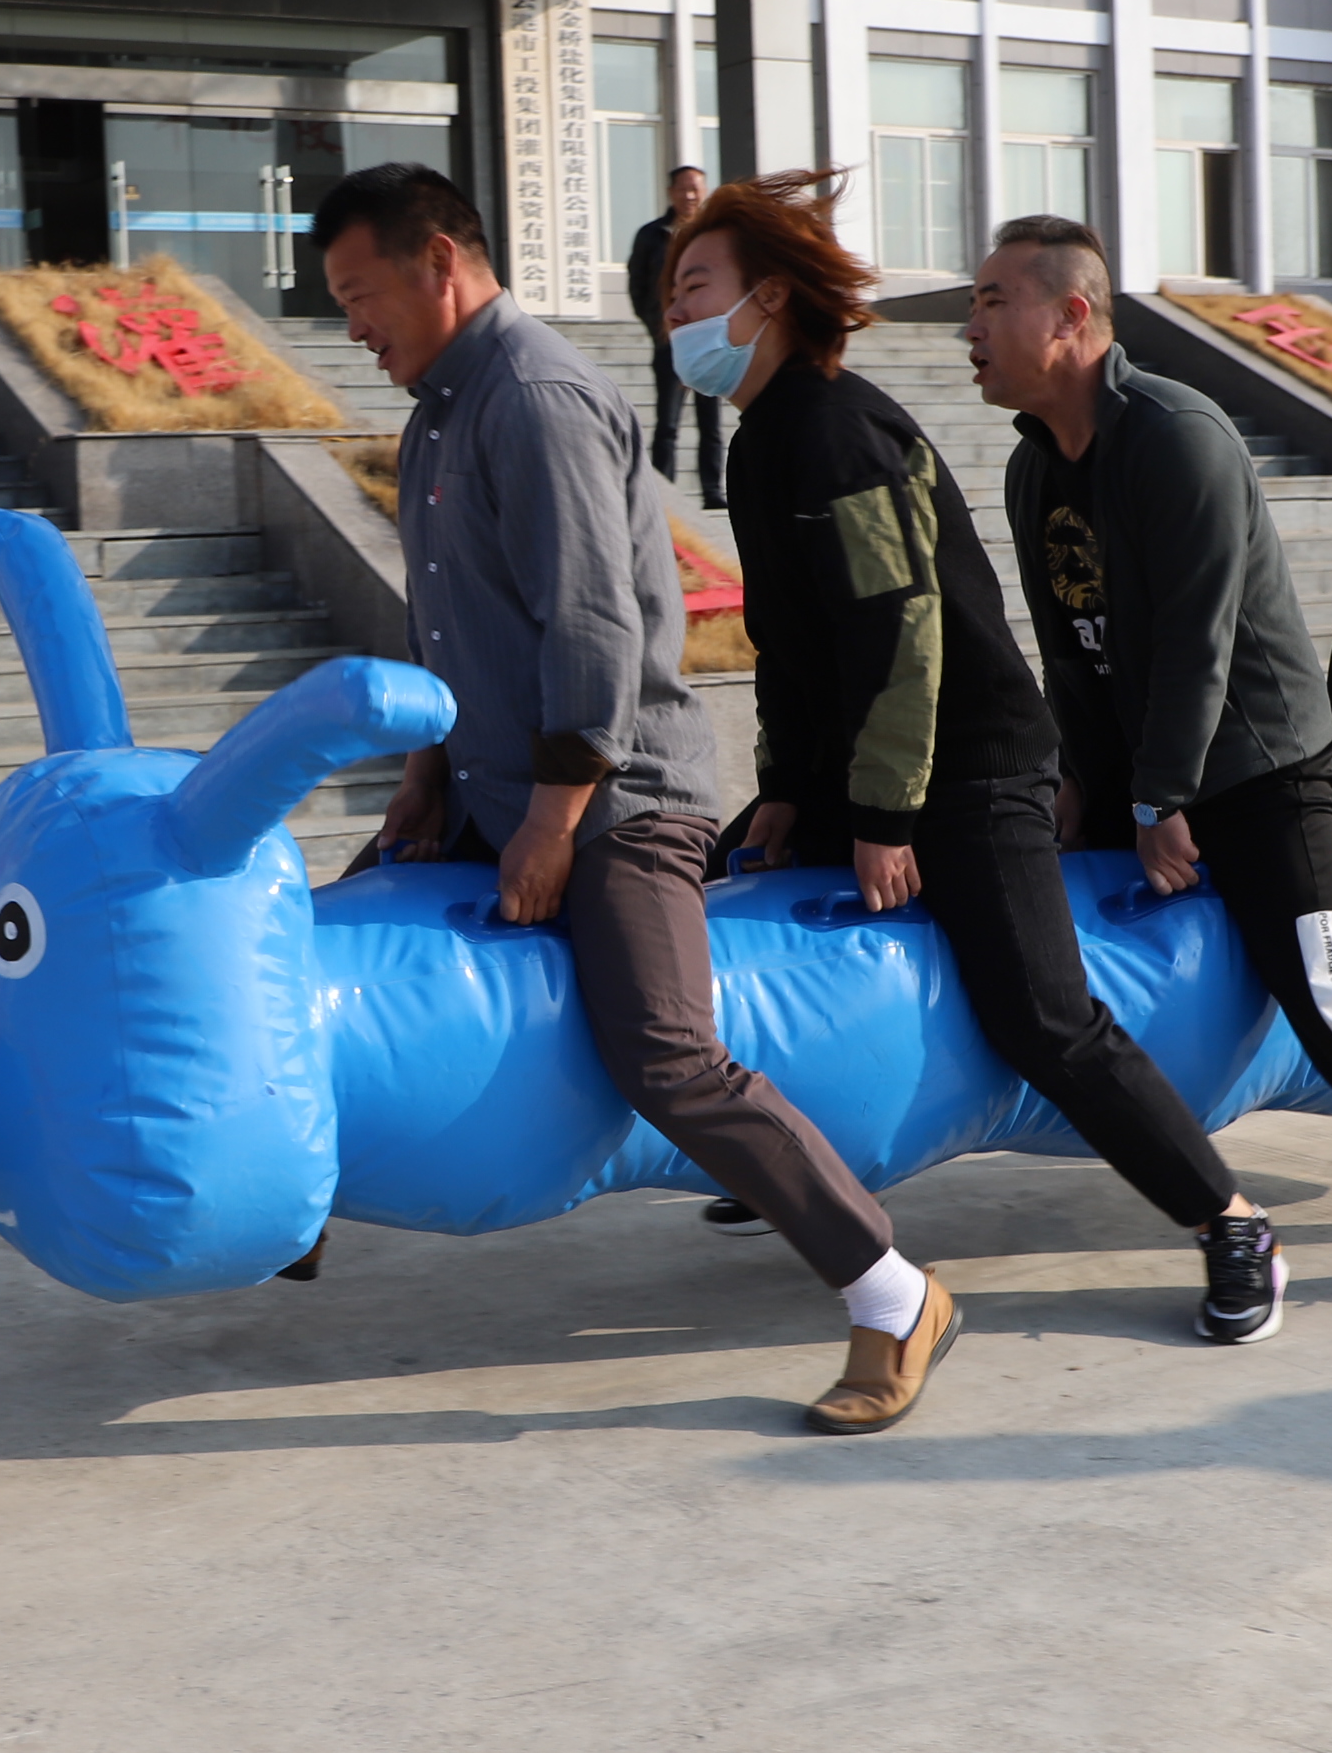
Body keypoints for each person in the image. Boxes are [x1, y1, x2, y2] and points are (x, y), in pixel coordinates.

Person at [321, 162, 961, 1432]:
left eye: (357, 294)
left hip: (617, 796)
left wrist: (551, 827)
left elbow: (593, 632)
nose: (351, 326)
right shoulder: (437, 411)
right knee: (328, 937)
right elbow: (442, 620)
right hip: (489, 782)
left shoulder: (534, 395)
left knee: (668, 1056)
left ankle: (893, 1295)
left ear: (438, 263)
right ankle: (279, 1213)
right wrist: (424, 776)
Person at [662, 170, 1295, 1329]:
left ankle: (1230, 1220)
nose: (672, 310)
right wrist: (785, 791)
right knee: (739, 920)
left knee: (1042, 1017)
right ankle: (801, 1161)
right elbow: (790, 648)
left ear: (768, 296)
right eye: (666, 289)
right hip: (869, 767)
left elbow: (898, 633)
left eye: (692, 283)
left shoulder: (837, 430)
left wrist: (881, 815)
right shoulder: (762, 441)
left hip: (970, 766)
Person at [972, 214, 1332, 1330]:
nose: (972, 326)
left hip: (1256, 767)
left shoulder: (1175, 436)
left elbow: (1195, 642)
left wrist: (1159, 797)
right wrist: (1079, 780)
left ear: (1071, 316)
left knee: (1329, 999)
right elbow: (1069, 648)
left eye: (993, 301)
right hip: (1140, 772)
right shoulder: (1029, 465)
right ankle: (1223, 1217)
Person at [625, 163, 724, 510]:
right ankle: (662, 491)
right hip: (670, 340)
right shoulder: (652, 235)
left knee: (710, 422)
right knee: (668, 422)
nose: (690, 195)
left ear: (705, 192)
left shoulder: (715, 236)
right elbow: (637, 286)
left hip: (709, 340)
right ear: (670, 193)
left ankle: (712, 490)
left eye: (696, 188)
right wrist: (659, 327)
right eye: (683, 188)